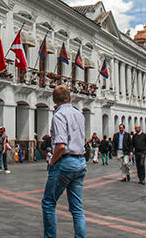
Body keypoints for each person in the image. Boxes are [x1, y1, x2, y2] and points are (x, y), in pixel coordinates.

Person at [41, 85, 86, 238]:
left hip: (65, 163)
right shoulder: (79, 115)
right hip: (80, 162)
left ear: (53, 100)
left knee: (48, 203)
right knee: (77, 207)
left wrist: (52, 162)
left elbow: (60, 146)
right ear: (70, 98)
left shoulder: (59, 116)